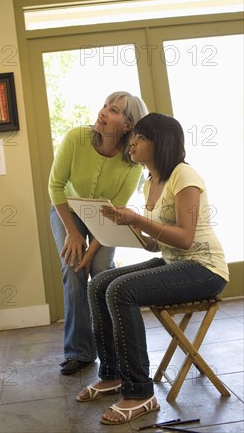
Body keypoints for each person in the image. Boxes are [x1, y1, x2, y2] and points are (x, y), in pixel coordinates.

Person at [76, 112, 229, 424]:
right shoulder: (150, 184)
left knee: (121, 290)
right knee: (99, 283)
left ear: (161, 144)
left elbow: (185, 238)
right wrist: (130, 231)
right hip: (174, 262)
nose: (131, 143)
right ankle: (113, 375)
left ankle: (140, 393)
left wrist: (136, 219)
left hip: (204, 268)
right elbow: (158, 243)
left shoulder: (184, 176)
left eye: (140, 138)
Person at [48, 91, 148, 375]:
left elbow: (116, 210)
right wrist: (73, 234)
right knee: (73, 266)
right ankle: (79, 352)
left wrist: (93, 251)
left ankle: (114, 349)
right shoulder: (76, 138)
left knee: (101, 268)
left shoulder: (132, 163)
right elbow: (55, 186)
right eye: (105, 106)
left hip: (106, 216)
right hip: (66, 209)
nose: (103, 112)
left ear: (128, 125)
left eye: (114, 110)